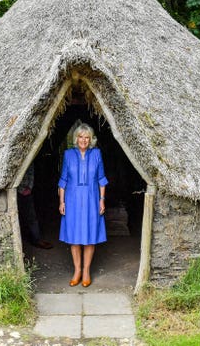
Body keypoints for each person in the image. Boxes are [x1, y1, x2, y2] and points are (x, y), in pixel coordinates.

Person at [58, 123, 108, 288]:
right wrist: (62, 202)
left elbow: (101, 179)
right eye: (80, 137)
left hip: (91, 199)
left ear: (91, 140)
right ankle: (77, 270)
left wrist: (102, 199)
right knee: (74, 238)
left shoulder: (96, 154)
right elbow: (63, 180)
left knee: (89, 237)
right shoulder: (68, 155)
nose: (83, 140)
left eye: (87, 137)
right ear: (76, 138)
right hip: (72, 200)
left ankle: (86, 271)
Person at [18, 163, 52, 249]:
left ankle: (37, 239)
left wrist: (29, 187)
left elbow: (31, 173)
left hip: (25, 190)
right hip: (15, 190)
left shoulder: (29, 162)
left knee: (31, 217)